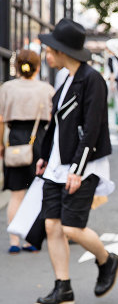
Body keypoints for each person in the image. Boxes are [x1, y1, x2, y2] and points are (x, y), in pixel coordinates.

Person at [35, 18, 118, 304]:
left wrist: (78, 169)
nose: (47, 54)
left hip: (83, 166)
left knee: (72, 228)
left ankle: (107, 260)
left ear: (62, 52)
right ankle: (63, 288)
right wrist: (44, 157)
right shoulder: (64, 79)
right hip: (57, 165)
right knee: (52, 226)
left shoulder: (92, 80)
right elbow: (58, 126)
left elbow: (92, 127)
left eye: (50, 50)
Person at [0, 49, 54, 253]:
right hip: (39, 140)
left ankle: (14, 241)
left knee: (16, 194)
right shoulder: (46, 89)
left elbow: (1, 119)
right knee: (36, 192)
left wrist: (1, 145)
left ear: (17, 67)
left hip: (15, 141)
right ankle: (32, 239)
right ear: (37, 66)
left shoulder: (7, 88)